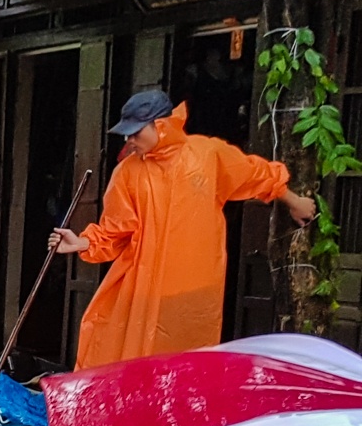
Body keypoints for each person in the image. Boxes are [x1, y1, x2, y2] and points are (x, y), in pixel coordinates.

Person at [50, 90, 317, 370]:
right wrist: (82, 242)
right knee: (131, 364)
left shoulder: (208, 155)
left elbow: (255, 174)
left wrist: (295, 202)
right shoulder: (127, 172)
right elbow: (115, 231)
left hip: (193, 295)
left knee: (185, 368)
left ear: (161, 126)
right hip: (144, 292)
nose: (129, 141)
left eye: (135, 133)